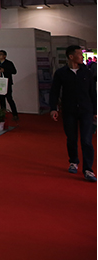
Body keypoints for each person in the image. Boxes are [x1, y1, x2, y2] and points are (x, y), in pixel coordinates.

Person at [50, 45, 97, 182]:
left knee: (86, 140)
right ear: (71, 57)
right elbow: (54, 91)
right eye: (80, 54)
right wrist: (53, 108)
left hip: (86, 110)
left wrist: (95, 111)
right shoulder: (61, 73)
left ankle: (88, 169)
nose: (82, 57)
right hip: (69, 110)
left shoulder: (87, 72)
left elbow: (93, 92)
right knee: (71, 138)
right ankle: (73, 161)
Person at [0, 50, 19, 122]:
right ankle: (3, 114)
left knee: (9, 99)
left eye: (1, 54)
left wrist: (5, 70)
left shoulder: (9, 63)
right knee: (1, 100)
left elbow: (14, 71)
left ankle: (15, 114)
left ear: (5, 56)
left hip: (7, 83)